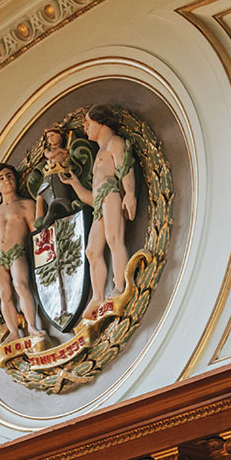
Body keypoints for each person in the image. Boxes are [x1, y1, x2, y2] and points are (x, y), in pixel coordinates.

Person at [60, 106, 137, 319]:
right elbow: (91, 199)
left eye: (88, 122)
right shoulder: (100, 153)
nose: (85, 127)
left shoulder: (115, 143)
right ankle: (98, 296)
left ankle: (120, 286)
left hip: (112, 194)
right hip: (100, 201)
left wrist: (130, 193)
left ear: (101, 123)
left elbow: (125, 168)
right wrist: (74, 184)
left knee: (114, 239)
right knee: (92, 251)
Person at [0, 163, 45, 347]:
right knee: (4, 293)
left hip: (16, 251)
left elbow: (36, 232)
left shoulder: (26, 205)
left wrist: (40, 203)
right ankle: (14, 332)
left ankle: (32, 326)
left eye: (9, 176)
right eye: (1, 178)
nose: (7, 180)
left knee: (21, 285)